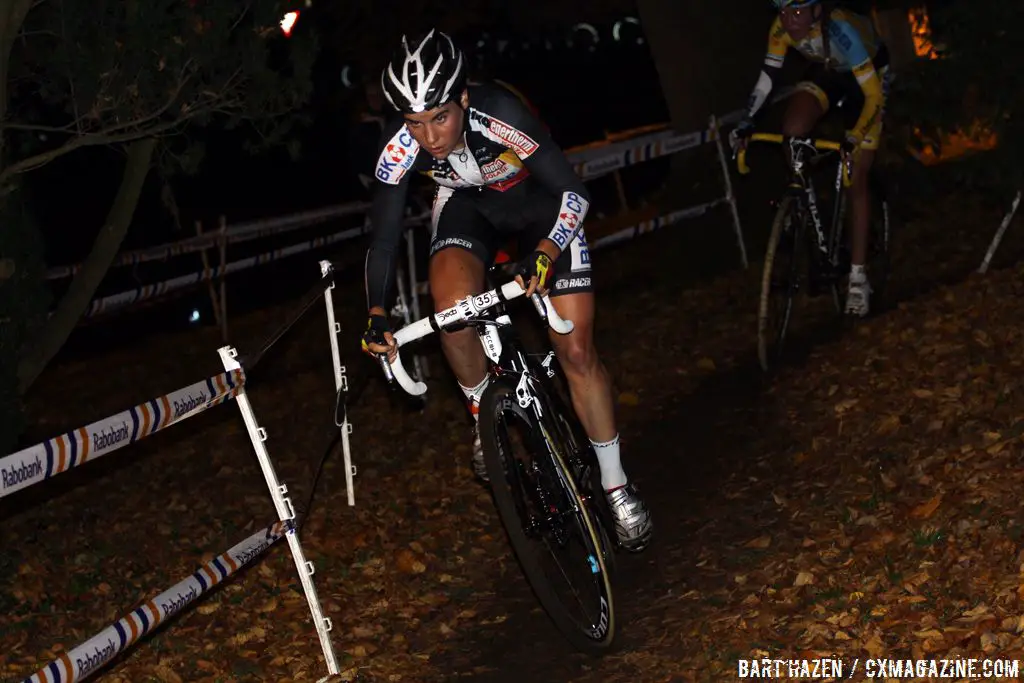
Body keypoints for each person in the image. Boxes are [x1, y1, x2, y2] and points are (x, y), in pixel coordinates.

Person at [359, 29, 653, 551]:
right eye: (415, 123)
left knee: (576, 350)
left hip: (540, 202)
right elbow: (381, 240)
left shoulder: (501, 113)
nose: (429, 137)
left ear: (463, 98)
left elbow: (574, 193)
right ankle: (483, 417)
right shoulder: (399, 146)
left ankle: (615, 484)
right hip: (469, 209)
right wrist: (377, 311)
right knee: (450, 312)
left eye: (440, 118)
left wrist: (546, 251)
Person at [731, 0, 890, 317]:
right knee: (792, 129)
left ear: (818, 10)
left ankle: (859, 278)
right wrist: (747, 120)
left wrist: (855, 137)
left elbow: (873, 95)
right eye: (783, 12)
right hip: (829, 69)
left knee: (856, 176)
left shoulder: (841, 30)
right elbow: (767, 77)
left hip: (869, 78)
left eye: (798, 12)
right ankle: (805, 203)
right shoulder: (781, 27)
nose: (789, 21)